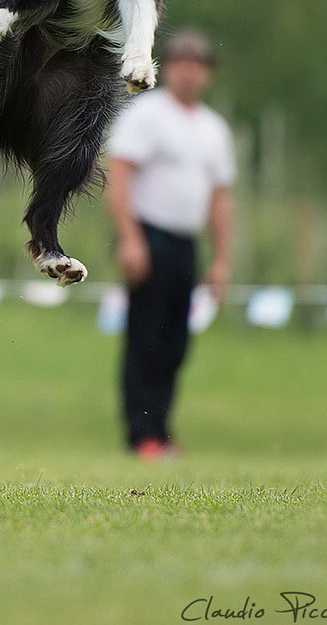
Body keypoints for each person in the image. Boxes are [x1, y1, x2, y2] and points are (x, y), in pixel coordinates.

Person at [106, 28, 235, 458]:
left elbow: (219, 199)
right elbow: (120, 175)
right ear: (168, 67)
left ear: (208, 73)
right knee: (147, 337)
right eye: (181, 64)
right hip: (150, 235)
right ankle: (140, 434)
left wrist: (220, 259)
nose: (189, 74)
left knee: (176, 343)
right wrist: (129, 238)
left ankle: (160, 431)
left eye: (197, 66)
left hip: (185, 244)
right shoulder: (147, 114)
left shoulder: (213, 128)